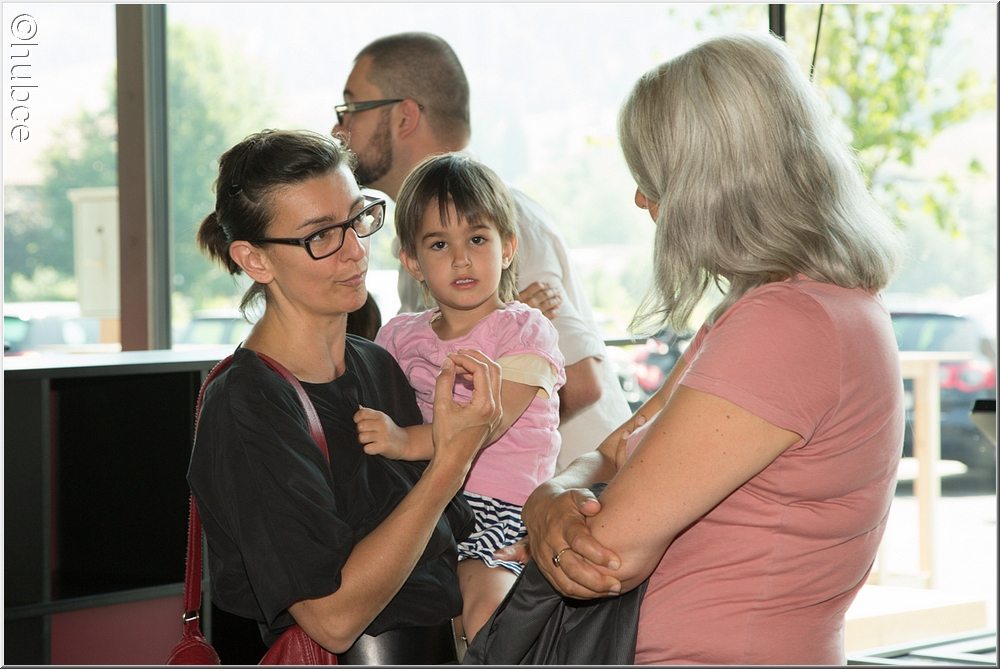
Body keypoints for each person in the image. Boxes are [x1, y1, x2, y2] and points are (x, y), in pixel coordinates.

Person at [512, 31, 906, 665]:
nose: (641, 200)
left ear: (707, 186)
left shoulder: (788, 325)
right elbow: (613, 451)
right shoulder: (793, 309)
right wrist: (551, 498)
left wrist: (546, 504)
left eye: (653, 179)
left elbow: (606, 555)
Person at [186, 129, 503, 663]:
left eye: (358, 219)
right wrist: (451, 461)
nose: (355, 250)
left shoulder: (376, 365)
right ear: (255, 260)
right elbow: (332, 620)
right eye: (321, 236)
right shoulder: (248, 404)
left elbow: (442, 546)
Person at [331, 32, 632, 470]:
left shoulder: (502, 216)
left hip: (564, 494)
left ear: (405, 116)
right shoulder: (422, 244)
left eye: (351, 109)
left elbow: (582, 384)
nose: (339, 129)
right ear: (414, 260)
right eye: (438, 245)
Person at [354, 154, 565, 645]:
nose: (461, 259)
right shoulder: (398, 336)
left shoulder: (524, 330)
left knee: (486, 606)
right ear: (412, 261)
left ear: (507, 247)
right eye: (439, 244)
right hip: (425, 503)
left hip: (504, 507)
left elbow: (482, 424)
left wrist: (401, 441)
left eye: (476, 239)